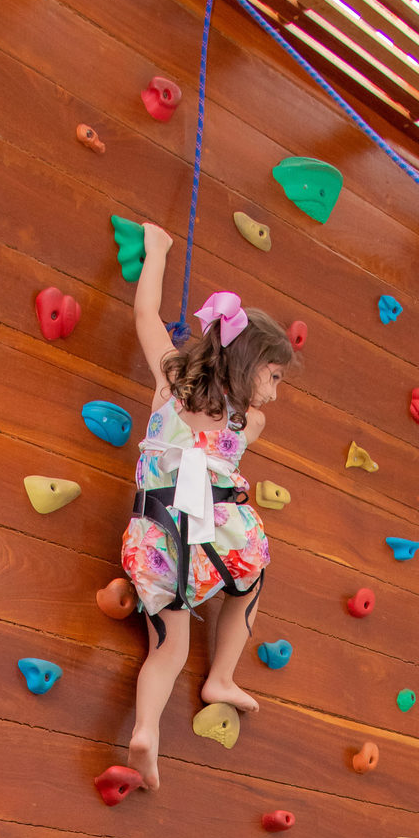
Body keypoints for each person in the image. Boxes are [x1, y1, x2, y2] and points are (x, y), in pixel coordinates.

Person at [120, 223, 292, 789]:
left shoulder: (170, 382)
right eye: (272, 374)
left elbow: (146, 315)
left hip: (156, 536)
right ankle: (221, 676)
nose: (275, 388)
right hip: (218, 545)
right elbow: (236, 432)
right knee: (254, 575)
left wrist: (160, 251)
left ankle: (146, 729)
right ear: (247, 365)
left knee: (168, 648)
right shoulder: (249, 422)